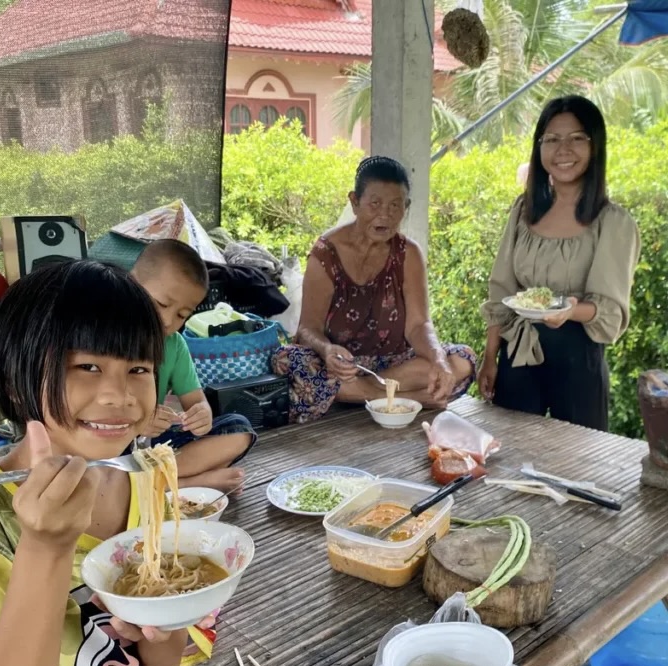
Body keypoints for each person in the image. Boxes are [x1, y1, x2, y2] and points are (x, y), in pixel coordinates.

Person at [0, 260, 327, 666]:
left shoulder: (143, 479)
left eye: (139, 369)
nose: (120, 395)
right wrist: (46, 546)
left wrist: (165, 622)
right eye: (87, 366)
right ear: (19, 377)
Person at [477, 95, 641, 431]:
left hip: (578, 358)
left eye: (577, 138)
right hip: (518, 352)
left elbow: (609, 309)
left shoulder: (613, 222)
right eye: (551, 139)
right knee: (511, 456)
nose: (562, 150)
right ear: (539, 148)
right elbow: (503, 290)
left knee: (578, 468)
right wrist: (490, 357)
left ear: (595, 146)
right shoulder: (523, 211)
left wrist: (569, 311)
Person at [272, 156, 476, 423]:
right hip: (343, 368)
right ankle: (409, 399)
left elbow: (418, 325)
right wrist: (327, 350)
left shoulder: (408, 253)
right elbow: (307, 329)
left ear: (407, 207)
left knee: (462, 360)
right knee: (290, 361)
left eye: (395, 205)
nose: (385, 215)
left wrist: (438, 360)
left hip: (394, 367)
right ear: (355, 202)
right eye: (375, 204)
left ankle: (370, 393)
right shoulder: (326, 253)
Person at [130, 240, 256, 492]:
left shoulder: (174, 345)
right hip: (108, 446)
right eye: (161, 304)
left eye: (181, 315)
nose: (167, 320)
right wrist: (131, 424)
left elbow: (196, 402)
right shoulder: (102, 336)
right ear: (130, 283)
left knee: (239, 428)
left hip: (153, 447)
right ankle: (187, 482)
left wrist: (201, 416)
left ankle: (158, 482)